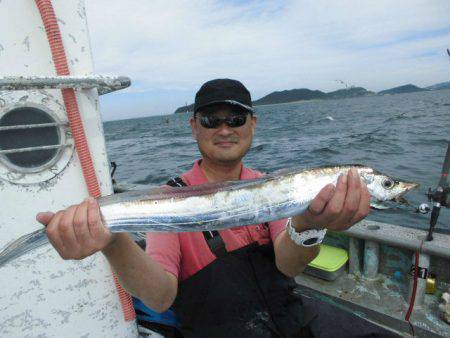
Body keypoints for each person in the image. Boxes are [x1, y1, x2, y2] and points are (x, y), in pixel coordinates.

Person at [36, 79, 394, 338]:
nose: (224, 128)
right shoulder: (169, 200)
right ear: (194, 127)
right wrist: (113, 242)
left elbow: (288, 265)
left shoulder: (274, 186)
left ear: (253, 124)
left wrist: (311, 224)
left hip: (288, 322)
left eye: (235, 119)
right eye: (211, 120)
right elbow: (161, 298)